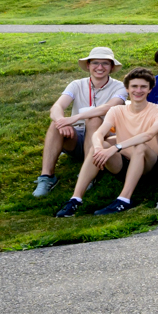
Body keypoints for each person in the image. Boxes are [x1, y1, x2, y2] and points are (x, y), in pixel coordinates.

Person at [52, 68, 158, 217]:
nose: (138, 90)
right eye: (134, 86)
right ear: (127, 89)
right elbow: (99, 133)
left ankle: (124, 200)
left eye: (143, 87)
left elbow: (148, 135)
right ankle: (75, 200)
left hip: (153, 165)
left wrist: (116, 147)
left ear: (150, 89)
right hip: (125, 163)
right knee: (98, 147)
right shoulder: (117, 110)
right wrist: (99, 147)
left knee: (140, 146)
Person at [34, 46, 129, 201]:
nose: (100, 67)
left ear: (111, 67)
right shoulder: (77, 84)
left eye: (105, 63)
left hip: (103, 139)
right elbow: (57, 107)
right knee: (55, 125)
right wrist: (61, 122)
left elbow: (107, 107)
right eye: (95, 63)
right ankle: (47, 177)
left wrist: (73, 118)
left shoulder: (119, 86)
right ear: (88, 66)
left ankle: (89, 173)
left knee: (94, 119)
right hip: (76, 137)